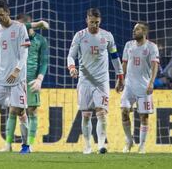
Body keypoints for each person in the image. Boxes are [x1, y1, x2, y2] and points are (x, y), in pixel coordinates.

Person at [67, 8, 124, 154]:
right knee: (86, 115)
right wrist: (72, 68)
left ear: (101, 21)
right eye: (92, 22)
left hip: (102, 81)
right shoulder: (79, 36)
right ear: (87, 20)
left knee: (102, 112)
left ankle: (101, 145)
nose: (94, 25)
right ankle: (87, 146)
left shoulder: (107, 36)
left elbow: (115, 57)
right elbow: (70, 56)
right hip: (85, 80)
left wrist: (120, 76)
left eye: (97, 23)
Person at [0, 0, 30, 153]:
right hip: (0, 77)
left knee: (20, 111)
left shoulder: (20, 27)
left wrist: (16, 69)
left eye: (2, 14)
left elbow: (24, 52)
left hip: (17, 78)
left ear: (8, 13)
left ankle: (25, 146)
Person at [119, 22, 159, 154]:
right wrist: (120, 80)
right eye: (134, 29)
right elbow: (124, 64)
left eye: (137, 29)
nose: (134, 31)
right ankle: (129, 140)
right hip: (129, 86)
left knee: (144, 117)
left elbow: (154, 65)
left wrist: (151, 82)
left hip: (144, 87)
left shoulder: (151, 47)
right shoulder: (128, 45)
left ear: (144, 32)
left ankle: (142, 146)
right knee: (124, 111)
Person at [14, 13, 49, 153]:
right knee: (17, 112)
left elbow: (44, 62)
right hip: (17, 80)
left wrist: (39, 79)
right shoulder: (16, 39)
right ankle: (18, 144)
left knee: (32, 112)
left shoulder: (40, 40)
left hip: (32, 80)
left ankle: (29, 144)